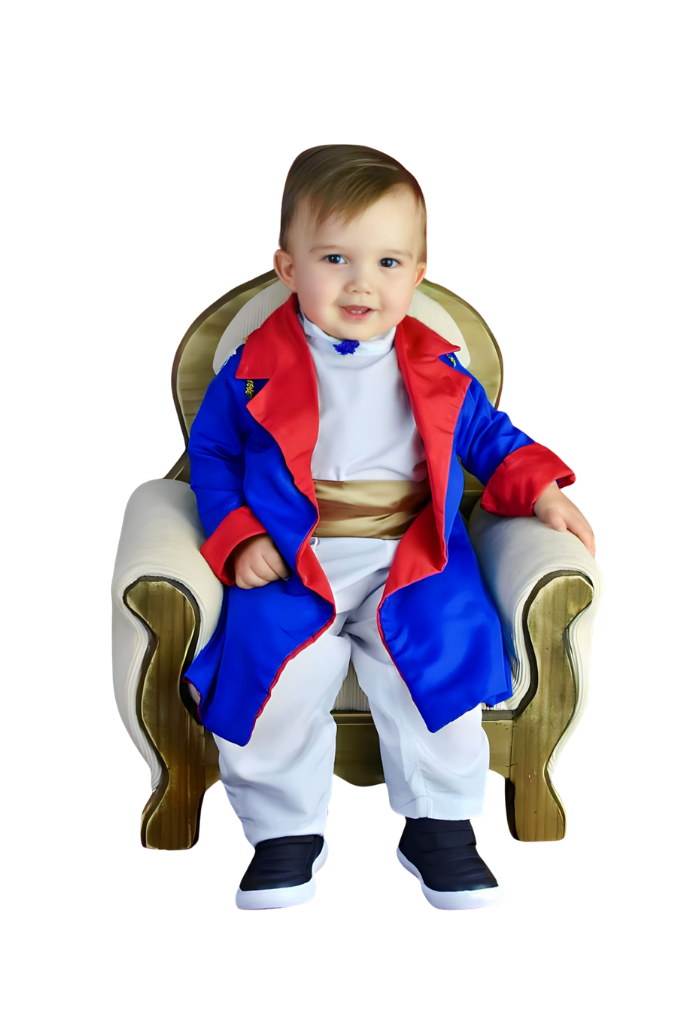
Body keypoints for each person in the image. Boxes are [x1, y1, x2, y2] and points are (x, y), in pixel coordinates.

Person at [184, 144, 595, 911]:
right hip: (294, 556)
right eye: (334, 258)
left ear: (417, 273)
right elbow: (209, 457)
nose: (360, 282)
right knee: (277, 674)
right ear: (288, 267)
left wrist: (540, 487)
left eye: (387, 261)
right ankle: (283, 832)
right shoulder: (248, 368)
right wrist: (238, 535)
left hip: (412, 553)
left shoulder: (436, 367)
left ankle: (439, 825)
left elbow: (489, 438)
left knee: (432, 662)